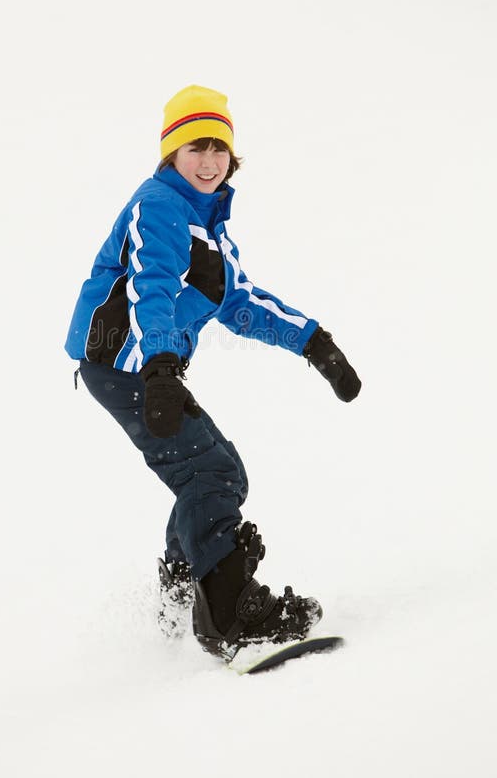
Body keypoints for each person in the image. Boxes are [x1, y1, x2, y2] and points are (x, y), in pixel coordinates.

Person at [64, 85, 361, 658]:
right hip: (124, 362)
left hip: (147, 367)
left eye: (218, 149)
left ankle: (184, 588)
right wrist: (159, 366)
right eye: (194, 149)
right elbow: (152, 284)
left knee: (212, 469)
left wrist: (315, 344)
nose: (207, 162)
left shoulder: (211, 229)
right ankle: (228, 612)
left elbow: (240, 301)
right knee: (210, 471)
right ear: (171, 155)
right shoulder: (160, 204)